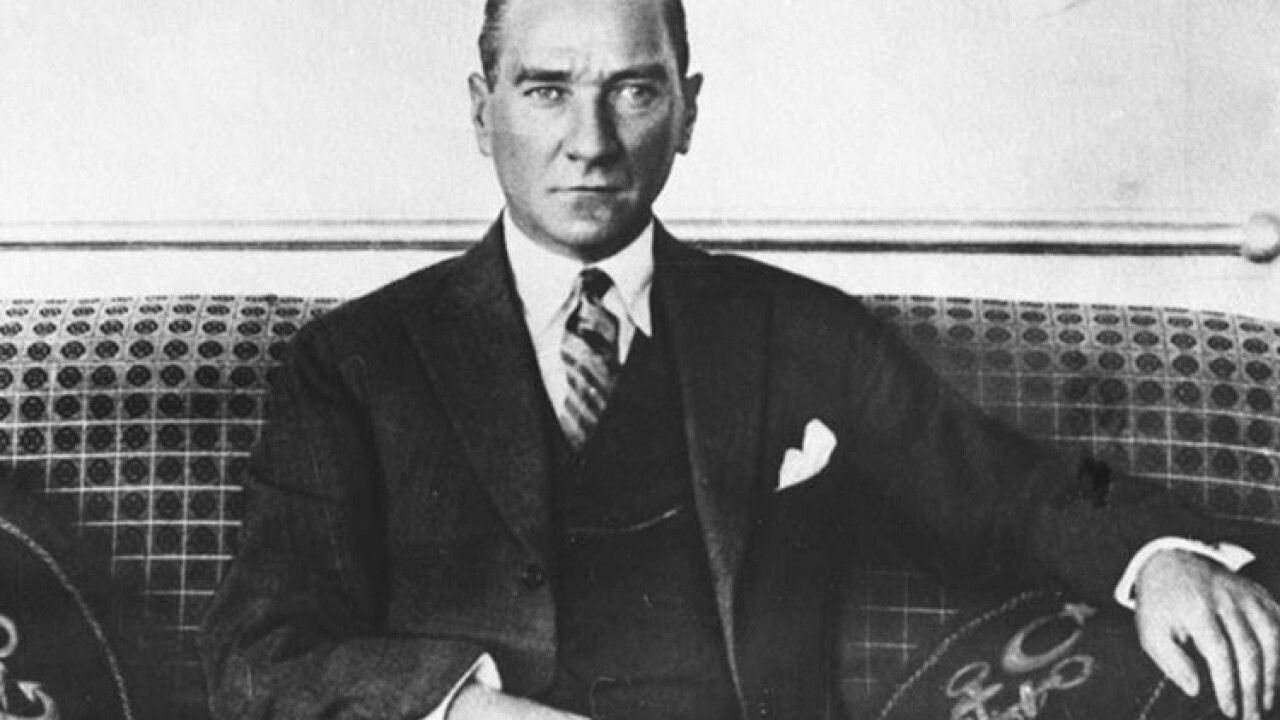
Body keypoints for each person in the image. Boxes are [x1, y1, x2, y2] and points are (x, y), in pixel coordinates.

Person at [200, 0, 1280, 718]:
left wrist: (1159, 560)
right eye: (545, 89)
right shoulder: (353, 365)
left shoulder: (796, 329)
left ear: (688, 111)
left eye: (634, 89)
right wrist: (466, 708)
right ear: (481, 113)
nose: (591, 140)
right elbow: (258, 655)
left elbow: (1004, 485)